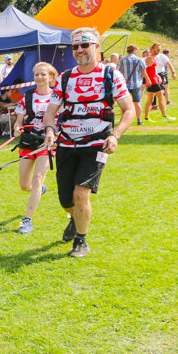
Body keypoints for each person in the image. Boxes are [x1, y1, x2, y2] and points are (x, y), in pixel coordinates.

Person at [42, 27, 134, 258]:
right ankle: (74, 218)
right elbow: (50, 112)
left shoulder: (110, 75)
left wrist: (115, 135)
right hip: (66, 144)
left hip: (96, 144)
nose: (80, 50)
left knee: (81, 193)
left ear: (96, 47)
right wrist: (50, 131)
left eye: (85, 45)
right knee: (66, 199)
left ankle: (81, 241)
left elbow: (128, 110)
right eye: (76, 46)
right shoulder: (65, 78)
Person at [13, 62, 57, 235]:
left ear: (51, 77)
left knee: (38, 178)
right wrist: (17, 127)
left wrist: (54, 134)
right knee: (25, 185)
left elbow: (60, 120)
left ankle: (27, 220)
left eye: (43, 74)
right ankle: (39, 191)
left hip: (47, 143)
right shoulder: (27, 97)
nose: (39, 77)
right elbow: (19, 120)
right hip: (28, 141)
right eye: (36, 74)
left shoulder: (56, 98)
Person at [117, 45, 147, 126]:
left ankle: (123, 121)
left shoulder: (121, 60)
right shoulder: (139, 60)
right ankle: (139, 120)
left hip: (125, 85)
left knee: (124, 104)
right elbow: (144, 73)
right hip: (136, 84)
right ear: (134, 50)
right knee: (137, 103)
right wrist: (140, 79)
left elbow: (117, 72)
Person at [144, 44, 173, 122]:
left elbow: (153, 70)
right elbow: (144, 70)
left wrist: (157, 76)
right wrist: (148, 79)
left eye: (160, 49)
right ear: (152, 49)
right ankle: (165, 116)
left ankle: (146, 118)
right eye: (157, 49)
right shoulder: (150, 58)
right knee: (161, 97)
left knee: (150, 100)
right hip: (152, 82)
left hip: (154, 80)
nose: (159, 51)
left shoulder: (153, 58)